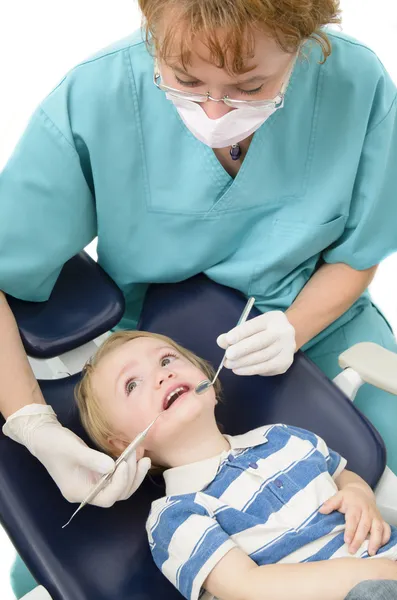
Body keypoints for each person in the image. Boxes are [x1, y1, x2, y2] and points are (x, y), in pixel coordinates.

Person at [1, 0, 397, 596]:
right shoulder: (97, 100)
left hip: (321, 323)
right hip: (152, 338)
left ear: (304, 41)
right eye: (185, 82)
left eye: (250, 86)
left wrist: (292, 325)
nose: (214, 110)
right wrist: (33, 424)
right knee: (49, 575)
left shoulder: (355, 83)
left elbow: (359, 251)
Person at [74, 329, 397, 600]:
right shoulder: (176, 515)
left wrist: (359, 494)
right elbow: (248, 587)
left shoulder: (282, 438)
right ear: (124, 446)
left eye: (166, 359)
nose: (162, 375)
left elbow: (342, 475)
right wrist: (371, 573)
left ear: (207, 378)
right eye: (132, 384)